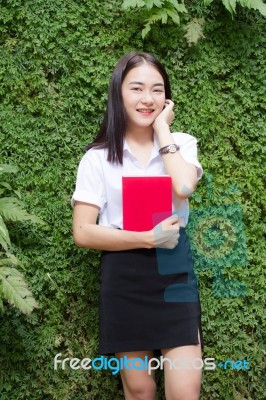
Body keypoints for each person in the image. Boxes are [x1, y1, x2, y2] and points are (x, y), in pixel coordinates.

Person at [72, 51, 203, 400]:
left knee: (185, 389)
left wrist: (163, 129)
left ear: (167, 96)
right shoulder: (98, 157)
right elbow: (83, 231)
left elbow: (184, 186)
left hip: (173, 268)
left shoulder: (182, 144)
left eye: (157, 90)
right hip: (124, 273)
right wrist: (147, 238)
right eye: (137, 88)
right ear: (119, 93)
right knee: (140, 389)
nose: (148, 99)